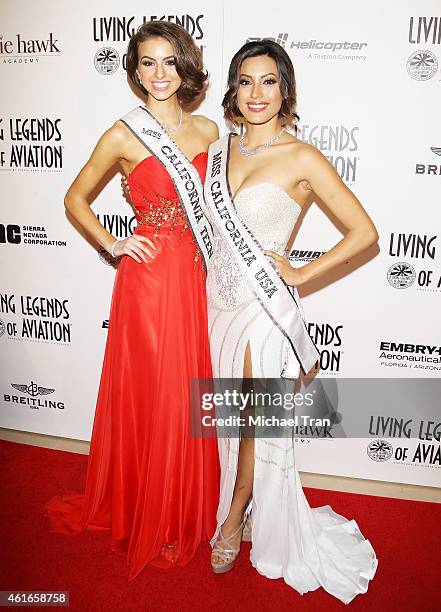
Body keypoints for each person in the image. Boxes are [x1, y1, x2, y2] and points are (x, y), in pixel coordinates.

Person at [203, 40, 379, 604]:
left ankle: (234, 519)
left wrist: (301, 274)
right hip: (218, 306)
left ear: (286, 90)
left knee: (251, 418)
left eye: (269, 81)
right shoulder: (216, 150)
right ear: (233, 89)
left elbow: (364, 233)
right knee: (227, 419)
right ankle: (242, 498)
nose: (257, 93)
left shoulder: (302, 157)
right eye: (247, 81)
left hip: (263, 312)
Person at [44, 21, 220, 581]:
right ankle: (147, 506)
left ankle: (181, 505)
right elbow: (75, 197)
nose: (160, 74)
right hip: (146, 285)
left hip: (195, 281)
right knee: (153, 395)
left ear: (186, 67)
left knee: (187, 394)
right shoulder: (123, 136)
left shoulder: (210, 130)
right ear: (134, 70)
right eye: (148, 62)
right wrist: (113, 243)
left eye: (170, 61)